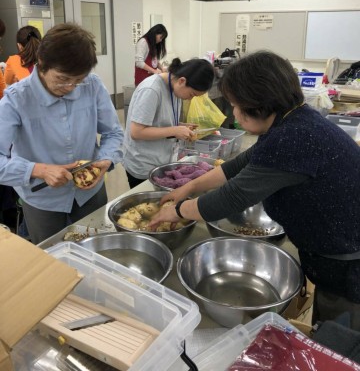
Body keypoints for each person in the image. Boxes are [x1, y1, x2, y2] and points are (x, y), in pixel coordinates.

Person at [149, 50, 360, 330]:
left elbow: (234, 195)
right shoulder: (292, 121)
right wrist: (188, 187)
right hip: (335, 249)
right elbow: (238, 165)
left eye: (235, 104)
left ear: (258, 104)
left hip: (347, 261)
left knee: (341, 339)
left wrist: (176, 211)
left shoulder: (293, 138)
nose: (233, 112)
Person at [0, 23, 124, 244]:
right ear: (41, 63)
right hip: (42, 200)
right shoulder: (16, 99)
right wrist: (38, 170)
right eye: (62, 79)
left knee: (96, 248)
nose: (70, 87)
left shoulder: (92, 85)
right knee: (53, 256)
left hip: (90, 193)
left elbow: (113, 132)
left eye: (78, 80)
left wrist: (106, 159)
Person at [123, 58, 215, 188]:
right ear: (182, 81)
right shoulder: (151, 89)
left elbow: (159, 120)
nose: (190, 98)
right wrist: (174, 131)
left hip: (162, 160)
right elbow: (137, 131)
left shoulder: (174, 88)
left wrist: (181, 126)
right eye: (192, 94)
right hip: (144, 164)